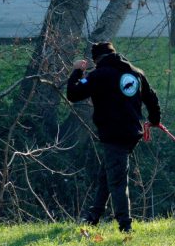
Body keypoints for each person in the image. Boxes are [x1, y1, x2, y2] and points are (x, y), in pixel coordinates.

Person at [67, 41, 161, 233]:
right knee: (107, 175)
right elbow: (151, 98)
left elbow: (73, 94)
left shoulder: (99, 75)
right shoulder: (136, 73)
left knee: (117, 180)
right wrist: (154, 120)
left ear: (96, 59)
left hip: (114, 134)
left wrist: (77, 72)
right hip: (132, 133)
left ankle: (125, 226)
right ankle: (93, 216)